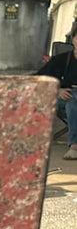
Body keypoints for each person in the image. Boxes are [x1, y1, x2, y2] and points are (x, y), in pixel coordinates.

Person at [37, 18, 77, 159]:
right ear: (73, 40)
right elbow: (39, 78)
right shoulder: (61, 60)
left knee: (73, 102)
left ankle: (74, 146)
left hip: (72, 101)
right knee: (72, 102)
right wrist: (57, 90)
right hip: (60, 100)